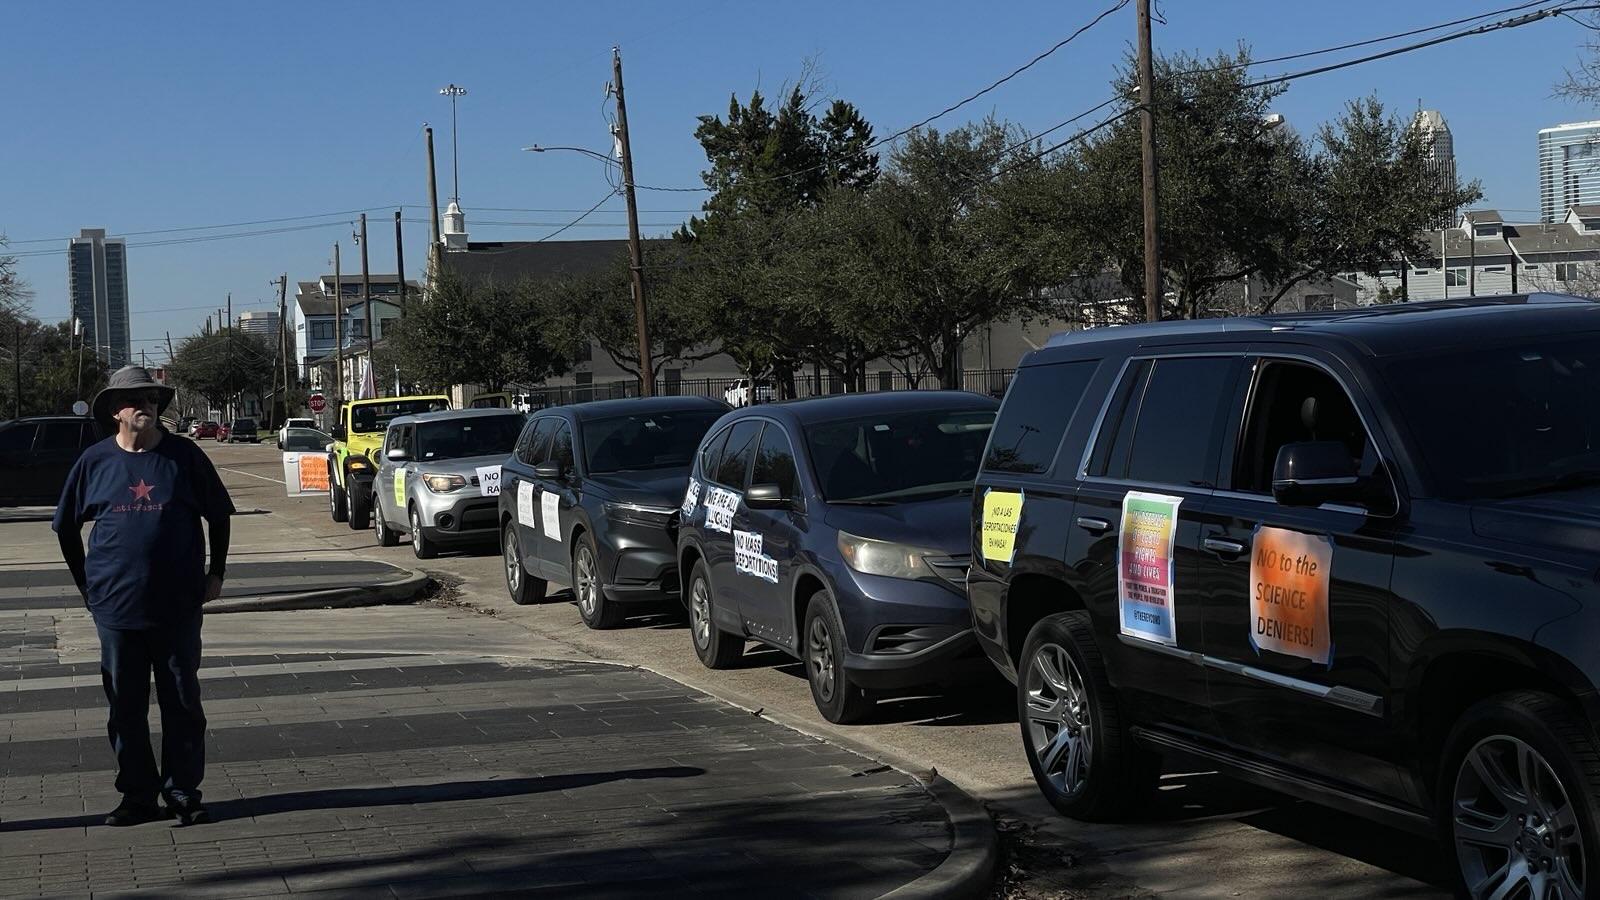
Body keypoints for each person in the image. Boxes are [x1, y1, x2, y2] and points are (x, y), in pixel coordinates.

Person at [53, 366, 234, 827]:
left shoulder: (184, 456)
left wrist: (216, 572)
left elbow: (219, 514)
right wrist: (85, 586)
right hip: (116, 607)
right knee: (126, 708)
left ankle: (182, 793)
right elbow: (66, 529)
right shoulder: (94, 462)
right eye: (137, 400)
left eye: (153, 400)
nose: (147, 407)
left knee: (182, 703)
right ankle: (137, 796)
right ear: (117, 411)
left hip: (177, 604)